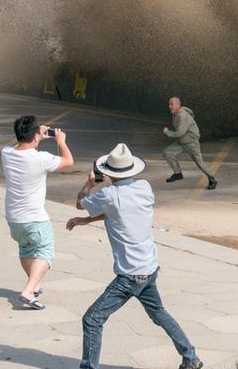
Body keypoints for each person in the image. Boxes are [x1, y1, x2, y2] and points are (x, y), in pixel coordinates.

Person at [68, 143, 204, 369]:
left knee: (92, 319)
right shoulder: (144, 187)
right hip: (149, 268)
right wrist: (87, 221)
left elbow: (80, 203)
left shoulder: (109, 194)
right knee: (159, 314)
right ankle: (191, 358)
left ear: (108, 172)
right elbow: (121, 213)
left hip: (130, 275)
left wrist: (88, 184)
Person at [1, 115, 74, 310]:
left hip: (13, 218)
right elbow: (68, 161)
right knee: (45, 252)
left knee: (26, 249)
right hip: (35, 218)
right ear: (34, 135)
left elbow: (27, 149)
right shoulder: (41, 159)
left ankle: (34, 286)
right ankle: (28, 290)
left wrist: (37, 137)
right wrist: (61, 142)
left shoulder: (6, 152)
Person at [161, 97, 217, 189]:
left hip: (191, 143)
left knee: (200, 163)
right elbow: (190, 112)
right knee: (167, 153)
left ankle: (213, 180)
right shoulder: (176, 113)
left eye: (172, 104)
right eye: (169, 104)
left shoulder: (182, 115)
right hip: (182, 141)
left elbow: (180, 132)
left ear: (178, 105)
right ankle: (178, 173)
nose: (170, 106)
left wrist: (168, 132)